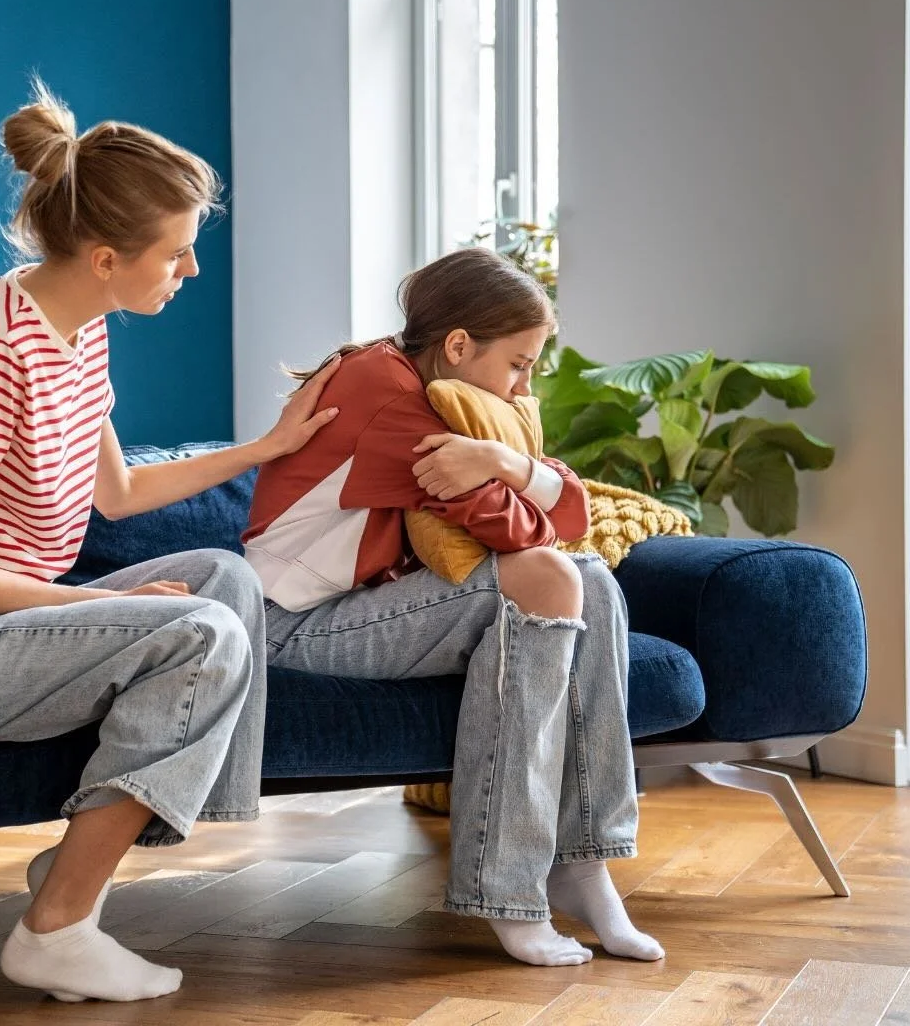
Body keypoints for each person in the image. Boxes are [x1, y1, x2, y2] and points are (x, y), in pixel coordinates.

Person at [0, 79, 338, 1003]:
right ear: (106, 257)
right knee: (200, 634)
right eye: (177, 255)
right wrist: (111, 606)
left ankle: (91, 862)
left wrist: (268, 447)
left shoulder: (79, 328)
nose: (188, 273)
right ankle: (57, 926)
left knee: (223, 582)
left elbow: (119, 491)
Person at [243, 247, 663, 967]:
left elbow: (569, 515)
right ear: (460, 345)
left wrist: (504, 462)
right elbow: (528, 525)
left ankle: (580, 863)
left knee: (586, 578)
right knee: (554, 577)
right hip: (289, 629)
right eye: (519, 363)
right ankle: (508, 888)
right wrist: (512, 478)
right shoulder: (387, 393)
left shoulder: (435, 388)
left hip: (366, 608)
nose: (523, 385)